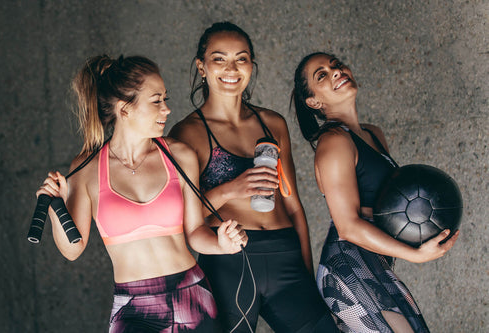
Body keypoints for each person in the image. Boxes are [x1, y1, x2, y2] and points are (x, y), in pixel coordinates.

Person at [36, 54, 248, 332]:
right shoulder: (87, 168)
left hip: (191, 293)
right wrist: (55, 206)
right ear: (125, 109)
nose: (167, 110)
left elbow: (195, 231)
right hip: (132, 308)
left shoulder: (180, 156)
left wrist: (221, 244)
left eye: (165, 99)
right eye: (156, 100)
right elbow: (73, 249)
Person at [169, 22, 338, 333]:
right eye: (219, 59)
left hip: (286, 257)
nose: (231, 68)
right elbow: (183, 220)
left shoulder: (272, 123)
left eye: (241, 58)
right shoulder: (187, 133)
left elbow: (295, 208)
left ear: (251, 65)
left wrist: (306, 272)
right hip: (229, 263)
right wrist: (233, 189)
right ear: (201, 67)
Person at [291, 52, 460, 333]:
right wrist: (414, 254)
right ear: (314, 102)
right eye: (321, 75)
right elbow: (347, 226)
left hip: (375, 262)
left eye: (335, 64)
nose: (335, 70)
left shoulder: (373, 133)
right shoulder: (333, 142)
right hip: (347, 266)